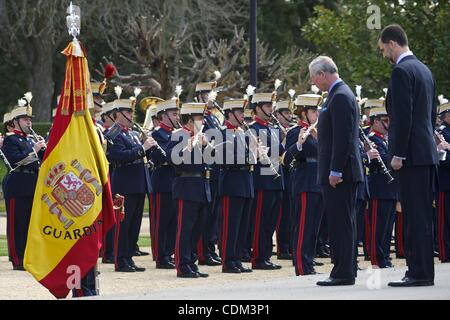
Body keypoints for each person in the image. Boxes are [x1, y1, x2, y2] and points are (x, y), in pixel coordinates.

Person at [378, 24, 437, 287]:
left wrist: (398, 154)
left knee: (414, 216)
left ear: (392, 43)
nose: (384, 55)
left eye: (383, 49)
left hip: (410, 154)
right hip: (425, 152)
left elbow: (402, 117)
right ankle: (423, 270)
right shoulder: (424, 70)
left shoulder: (402, 71)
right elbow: (431, 114)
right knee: (422, 214)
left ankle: (418, 272)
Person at [310, 56, 363, 286]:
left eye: (314, 77)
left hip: (341, 174)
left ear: (323, 74)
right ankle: (346, 268)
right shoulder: (338, 94)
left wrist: (335, 170)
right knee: (343, 222)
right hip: (341, 171)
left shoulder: (340, 96)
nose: (313, 82)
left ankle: (342, 272)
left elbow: (342, 139)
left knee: (341, 223)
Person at [107, 96, 163, 272]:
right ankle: (120, 260)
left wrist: (151, 148)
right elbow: (119, 157)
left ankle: (129, 257)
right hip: (124, 184)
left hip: (138, 182)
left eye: (132, 111)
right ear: (118, 115)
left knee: (134, 225)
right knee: (123, 224)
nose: (131, 115)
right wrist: (142, 148)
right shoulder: (113, 134)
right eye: (128, 112)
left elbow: (144, 156)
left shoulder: (131, 133)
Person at [167, 102, 212, 278]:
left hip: (201, 185)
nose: (202, 121)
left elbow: (212, 160)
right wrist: (189, 145)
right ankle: (182, 264)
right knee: (185, 229)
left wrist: (206, 145)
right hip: (186, 185)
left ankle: (191, 261)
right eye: (199, 118)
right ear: (190, 119)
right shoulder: (178, 135)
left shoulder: (201, 136)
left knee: (197, 229)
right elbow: (172, 158)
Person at [2, 93, 46, 271]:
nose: (29, 123)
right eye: (25, 119)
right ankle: (17, 258)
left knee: (29, 223)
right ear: (15, 122)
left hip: (31, 183)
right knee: (17, 224)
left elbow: (41, 161)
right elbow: (15, 161)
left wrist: (45, 149)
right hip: (17, 184)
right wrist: (35, 151)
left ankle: (28, 256)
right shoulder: (10, 140)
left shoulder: (29, 140)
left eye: (29, 119)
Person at [282, 94, 324, 275]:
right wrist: (298, 144)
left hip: (318, 182)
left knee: (314, 226)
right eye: (314, 111)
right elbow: (285, 159)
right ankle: (301, 264)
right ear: (303, 113)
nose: (317, 115)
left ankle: (309, 261)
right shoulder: (295, 131)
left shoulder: (318, 132)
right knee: (303, 225)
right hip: (305, 181)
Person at [218, 99, 255, 273]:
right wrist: (249, 156)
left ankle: (237, 258)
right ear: (230, 114)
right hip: (231, 182)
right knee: (230, 224)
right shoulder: (221, 132)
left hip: (245, 180)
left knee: (242, 225)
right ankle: (228, 260)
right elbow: (224, 158)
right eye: (240, 112)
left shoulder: (243, 132)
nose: (243, 115)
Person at [249, 92, 284, 270]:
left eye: (272, 106)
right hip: (262, 180)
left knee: (271, 221)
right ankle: (258, 257)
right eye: (268, 106)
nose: (272, 109)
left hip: (276, 179)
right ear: (257, 108)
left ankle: (266, 255)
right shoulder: (252, 128)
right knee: (260, 221)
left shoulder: (272, 128)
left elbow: (280, 151)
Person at [365, 106, 398, 268]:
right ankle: (377, 258)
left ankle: (384, 256)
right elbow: (384, 160)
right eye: (385, 121)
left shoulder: (385, 139)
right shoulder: (372, 139)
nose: (388, 124)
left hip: (390, 188)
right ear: (375, 122)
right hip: (379, 187)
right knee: (377, 226)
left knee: (387, 226)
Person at [150, 99, 181, 269]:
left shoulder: (177, 133)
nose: (177, 117)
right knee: (162, 221)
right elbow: (161, 157)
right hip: (162, 181)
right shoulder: (157, 134)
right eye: (174, 114)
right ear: (164, 116)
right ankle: (161, 255)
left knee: (174, 221)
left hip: (175, 181)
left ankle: (169, 252)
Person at [195, 81, 223, 266]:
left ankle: (210, 248)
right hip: (206, 168)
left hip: (216, 168)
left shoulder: (213, 118)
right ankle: (203, 252)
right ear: (200, 97)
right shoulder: (198, 117)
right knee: (204, 214)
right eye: (208, 94)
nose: (212, 97)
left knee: (213, 215)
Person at [273, 100, 294, 260]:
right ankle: (283, 247)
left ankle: (289, 244)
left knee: (290, 212)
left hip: (291, 173)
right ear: (277, 115)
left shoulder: (291, 130)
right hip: (280, 172)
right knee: (282, 213)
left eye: (289, 113)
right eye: (286, 113)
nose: (289, 116)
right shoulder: (275, 130)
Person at [436, 101, 450, 262]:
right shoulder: (441, 133)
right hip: (445, 182)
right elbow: (442, 160)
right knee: (444, 221)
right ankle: (445, 252)